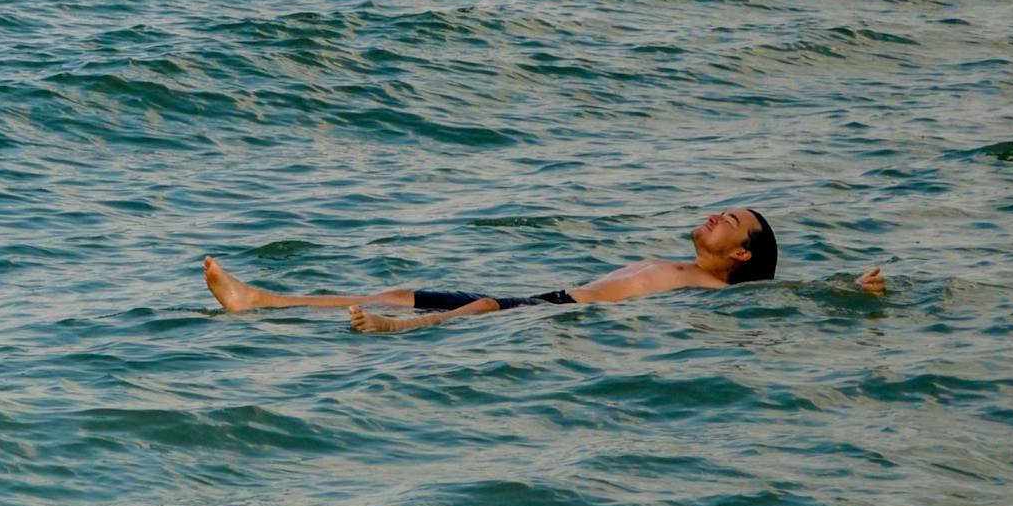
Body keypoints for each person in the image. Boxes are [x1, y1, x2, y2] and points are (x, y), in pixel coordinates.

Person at [202, 207, 883, 333]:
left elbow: (784, 298)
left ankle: (389, 331)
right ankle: (259, 299)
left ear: (740, 256)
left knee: (472, 311)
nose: (715, 216)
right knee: (403, 286)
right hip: (545, 295)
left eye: (731, 221)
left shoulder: (713, 288)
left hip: (559, 310)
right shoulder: (680, 263)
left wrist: (849, 291)